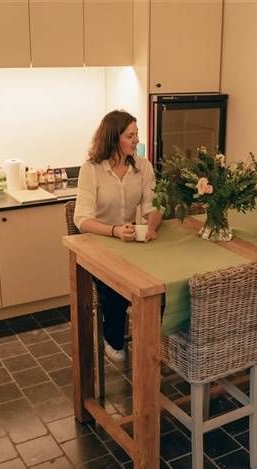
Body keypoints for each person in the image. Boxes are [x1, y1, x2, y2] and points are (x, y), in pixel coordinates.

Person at [74, 110, 162, 362]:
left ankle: (157, 337)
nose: (137, 140)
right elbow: (81, 219)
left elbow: (154, 207)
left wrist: (152, 226)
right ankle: (112, 338)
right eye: (130, 136)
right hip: (100, 244)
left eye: (137, 135)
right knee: (116, 287)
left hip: (131, 241)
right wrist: (114, 231)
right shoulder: (91, 170)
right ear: (114, 138)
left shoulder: (143, 166)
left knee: (159, 280)